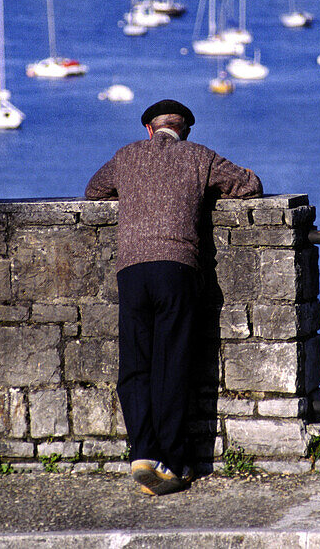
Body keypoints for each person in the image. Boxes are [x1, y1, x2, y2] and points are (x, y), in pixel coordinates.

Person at [84, 99, 262, 495]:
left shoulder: (126, 156)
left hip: (132, 271)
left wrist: (137, 194)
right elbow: (249, 185)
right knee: (172, 363)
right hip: (177, 268)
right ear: (185, 130)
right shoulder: (200, 156)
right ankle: (174, 461)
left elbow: (94, 189)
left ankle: (142, 452)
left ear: (149, 128)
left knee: (135, 365)